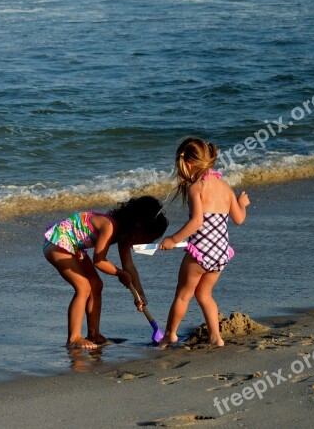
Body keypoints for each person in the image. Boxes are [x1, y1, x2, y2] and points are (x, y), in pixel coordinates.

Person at [158, 138, 250, 348]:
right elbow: (239, 219)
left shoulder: (196, 188)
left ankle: (170, 334)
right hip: (220, 254)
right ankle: (216, 337)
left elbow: (197, 221)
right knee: (205, 294)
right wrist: (241, 204)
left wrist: (173, 239)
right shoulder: (225, 187)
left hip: (199, 254)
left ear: (188, 164)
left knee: (183, 295)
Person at [43, 196, 169, 349]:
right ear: (137, 226)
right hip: (58, 243)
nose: (146, 243)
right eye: (147, 238)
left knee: (96, 285)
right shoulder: (109, 225)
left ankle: (94, 334)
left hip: (75, 248)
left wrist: (140, 294)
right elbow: (99, 261)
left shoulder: (124, 237)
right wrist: (119, 273)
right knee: (83, 287)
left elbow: (129, 266)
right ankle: (74, 337)